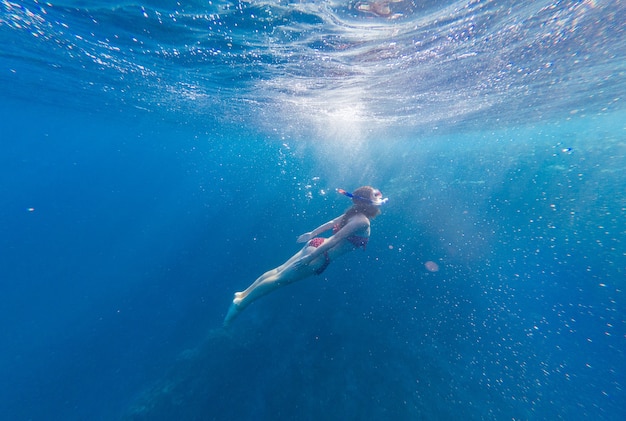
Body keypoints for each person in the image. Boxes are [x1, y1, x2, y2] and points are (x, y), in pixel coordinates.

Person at [224, 186, 388, 325]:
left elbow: (331, 224)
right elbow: (336, 238)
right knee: (279, 280)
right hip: (320, 255)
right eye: (376, 196)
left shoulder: (353, 213)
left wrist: (312, 234)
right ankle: (240, 305)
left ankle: (243, 293)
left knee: (278, 271)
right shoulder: (363, 221)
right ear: (368, 202)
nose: (379, 200)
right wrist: (309, 259)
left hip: (316, 245)